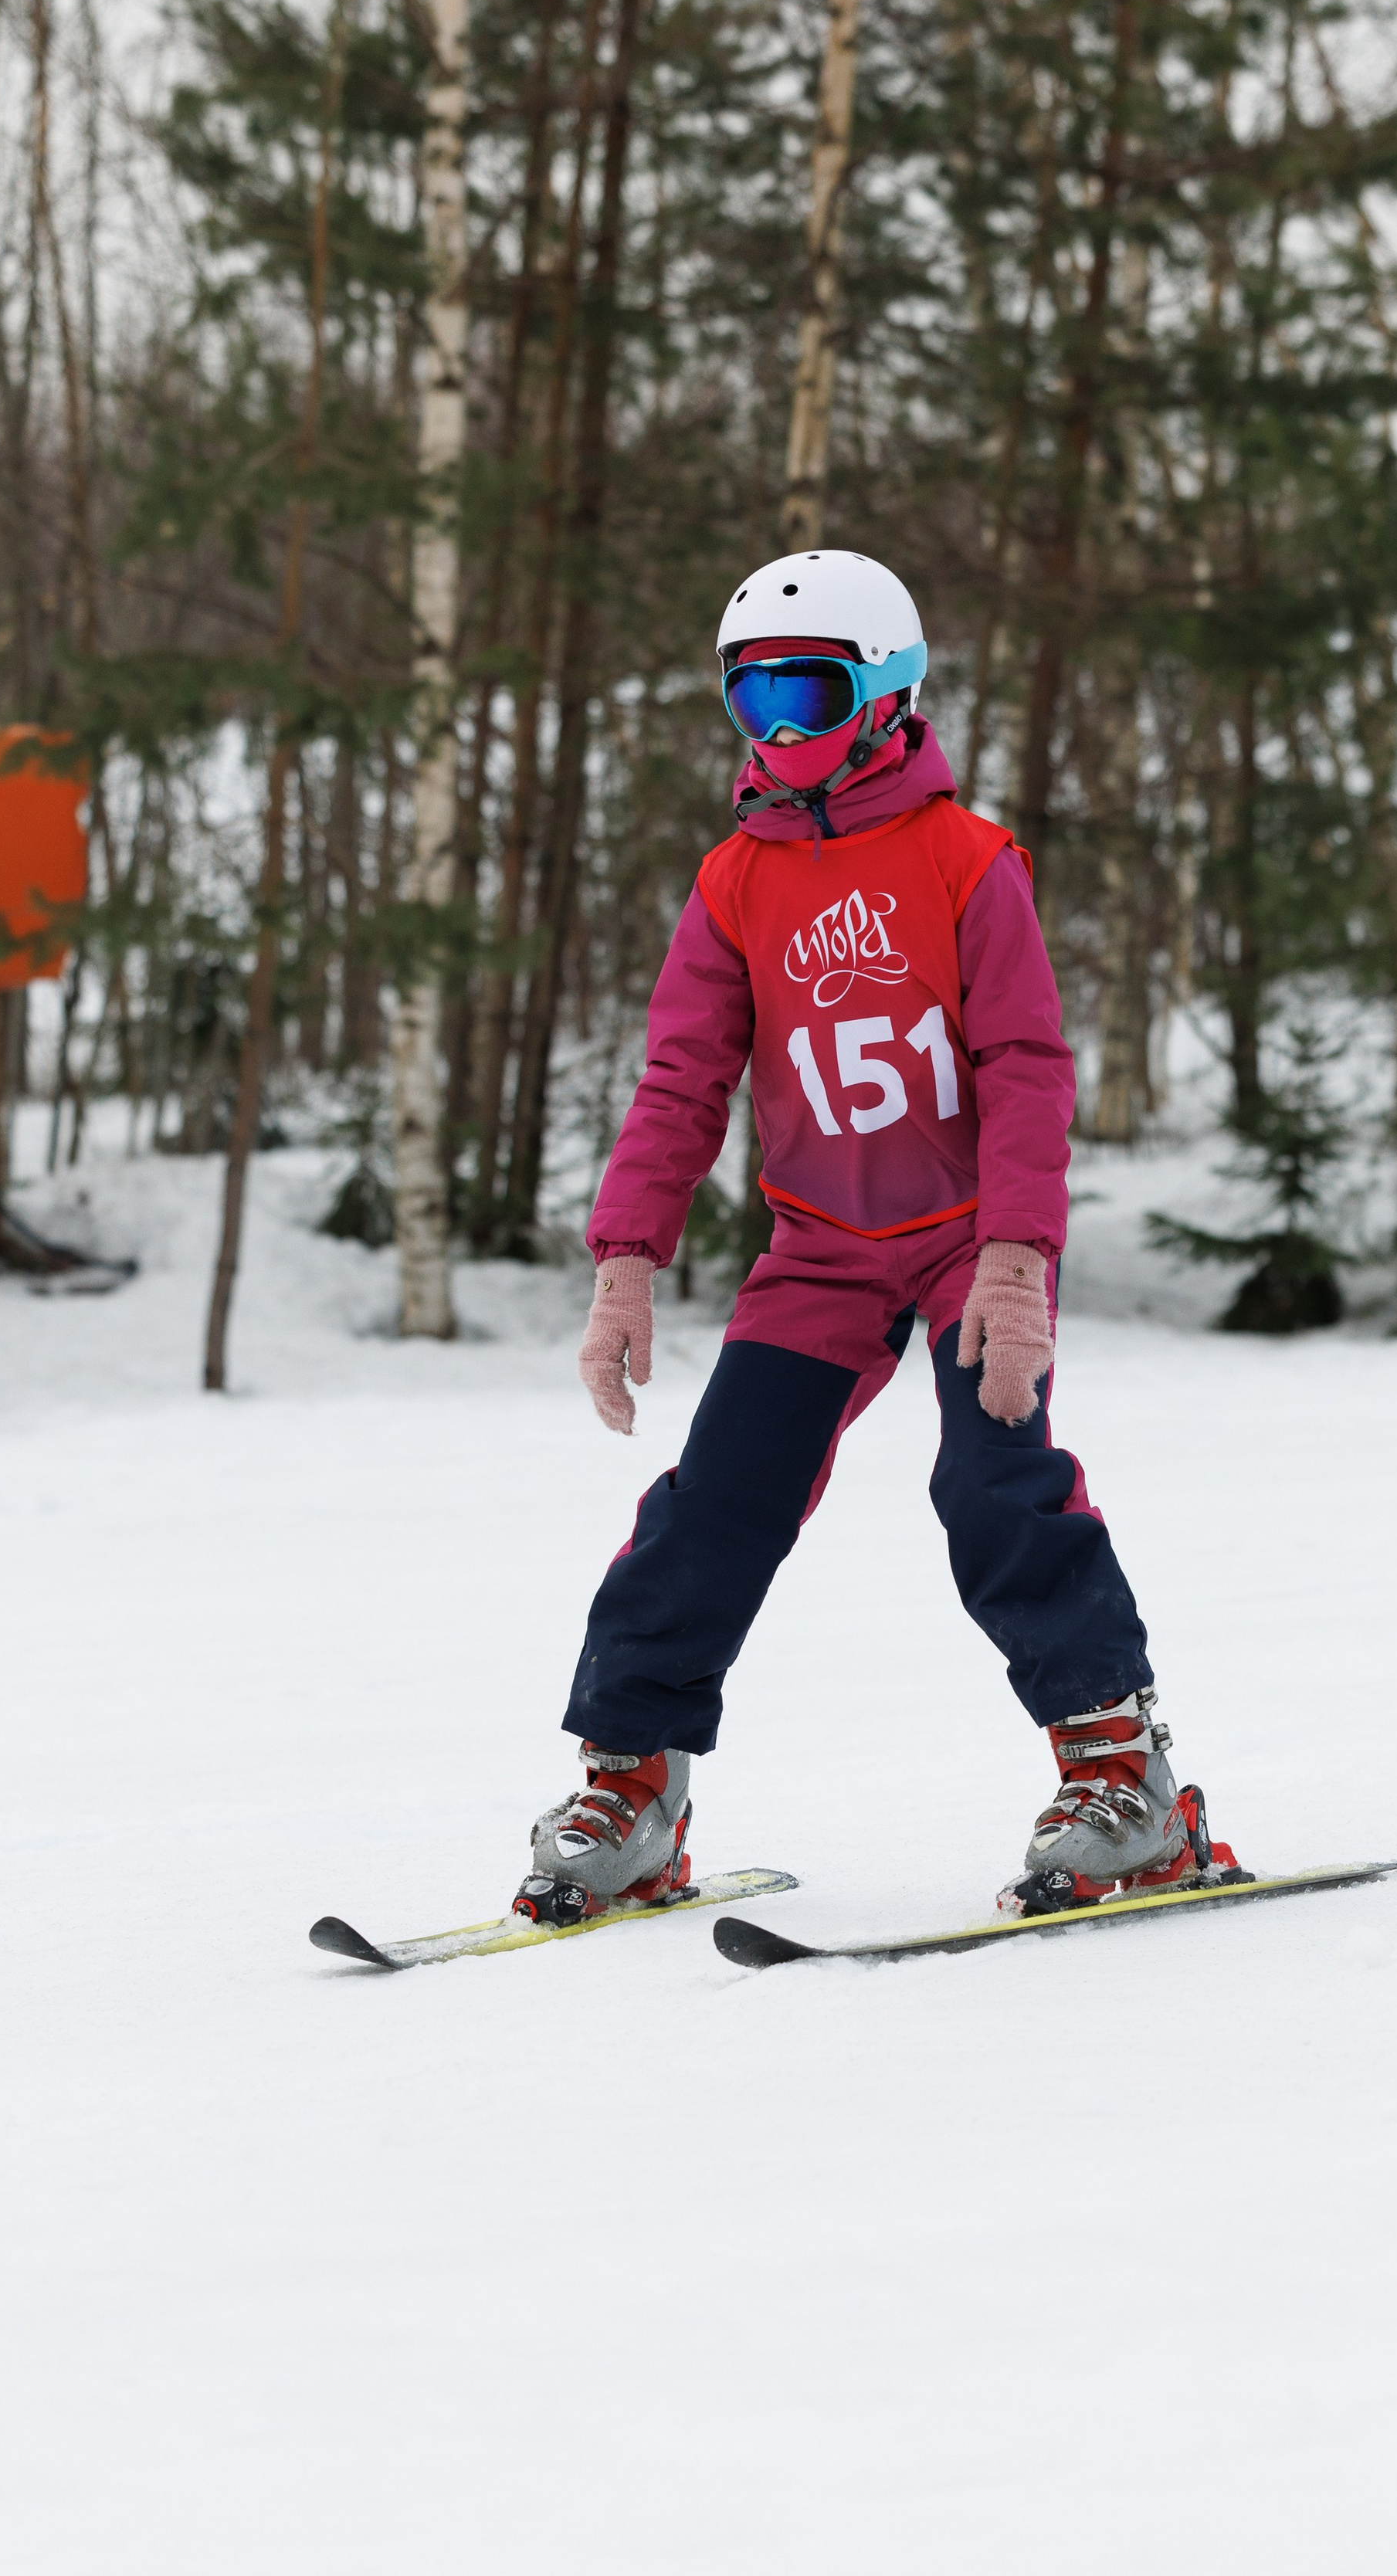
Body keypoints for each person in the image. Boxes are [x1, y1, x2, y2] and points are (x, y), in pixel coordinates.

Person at [513, 547, 1207, 1926]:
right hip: (822, 1249)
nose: (776, 730)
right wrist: (626, 1260)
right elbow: (682, 1078)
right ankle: (632, 1786)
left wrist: (1017, 1258)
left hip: (967, 1245)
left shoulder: (967, 861)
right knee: (717, 1498)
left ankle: (1122, 1776)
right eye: (751, 699)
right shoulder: (733, 883)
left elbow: (1025, 1065)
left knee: (996, 1485)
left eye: (806, 693)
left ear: (885, 696)